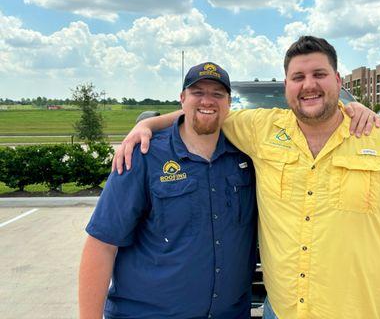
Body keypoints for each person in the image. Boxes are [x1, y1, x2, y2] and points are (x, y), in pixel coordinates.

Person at [114, 36, 380, 319]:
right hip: (283, 311)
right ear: (287, 86)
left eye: (319, 74)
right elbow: (204, 112)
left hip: (363, 311)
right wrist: (149, 125)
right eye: (298, 77)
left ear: (338, 80)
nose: (309, 84)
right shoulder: (260, 129)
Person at [79, 62, 258, 318]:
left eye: (217, 94)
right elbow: (102, 244)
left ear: (229, 103)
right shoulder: (142, 156)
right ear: (182, 99)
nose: (208, 100)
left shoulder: (247, 157)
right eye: (198, 92)